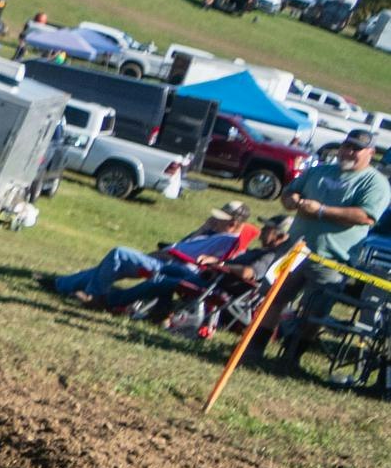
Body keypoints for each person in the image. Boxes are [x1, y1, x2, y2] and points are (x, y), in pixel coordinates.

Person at [254, 129, 389, 339]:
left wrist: (321, 211)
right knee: (274, 298)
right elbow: (290, 192)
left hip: (333, 258)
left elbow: (366, 216)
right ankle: (255, 345)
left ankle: (293, 351)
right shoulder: (319, 171)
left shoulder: (375, 183)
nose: (349, 152)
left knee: (314, 312)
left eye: (356, 149)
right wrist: (291, 199)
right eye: (346, 146)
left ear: (370, 153)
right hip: (295, 250)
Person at [45, 202, 257, 312]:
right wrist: (203, 229)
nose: (214, 220)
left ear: (233, 223)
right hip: (168, 261)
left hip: (174, 266)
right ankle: (61, 284)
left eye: (220, 219)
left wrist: (212, 259)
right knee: (113, 264)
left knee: (119, 254)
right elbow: (186, 243)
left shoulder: (228, 241)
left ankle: (94, 296)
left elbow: (223, 262)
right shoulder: (214, 234)